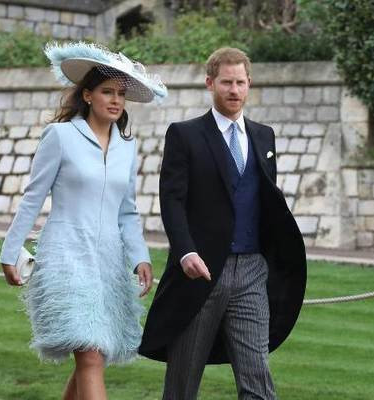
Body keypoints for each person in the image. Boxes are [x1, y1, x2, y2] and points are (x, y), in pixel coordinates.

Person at [0, 42, 167, 400]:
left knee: (95, 355)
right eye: (108, 91)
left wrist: (141, 256)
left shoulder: (127, 146)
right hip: (65, 256)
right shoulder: (60, 136)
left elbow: (128, 210)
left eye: (121, 94)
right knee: (90, 354)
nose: (116, 100)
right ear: (88, 95)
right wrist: (10, 250)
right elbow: (33, 197)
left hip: (108, 263)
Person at [139, 47, 307, 399]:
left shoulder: (264, 136)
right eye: (226, 82)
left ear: (249, 85)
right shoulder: (184, 135)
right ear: (210, 83)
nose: (234, 90)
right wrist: (185, 252)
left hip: (251, 272)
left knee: (257, 380)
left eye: (240, 83)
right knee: (183, 384)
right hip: (200, 274)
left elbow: (265, 201)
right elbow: (172, 200)